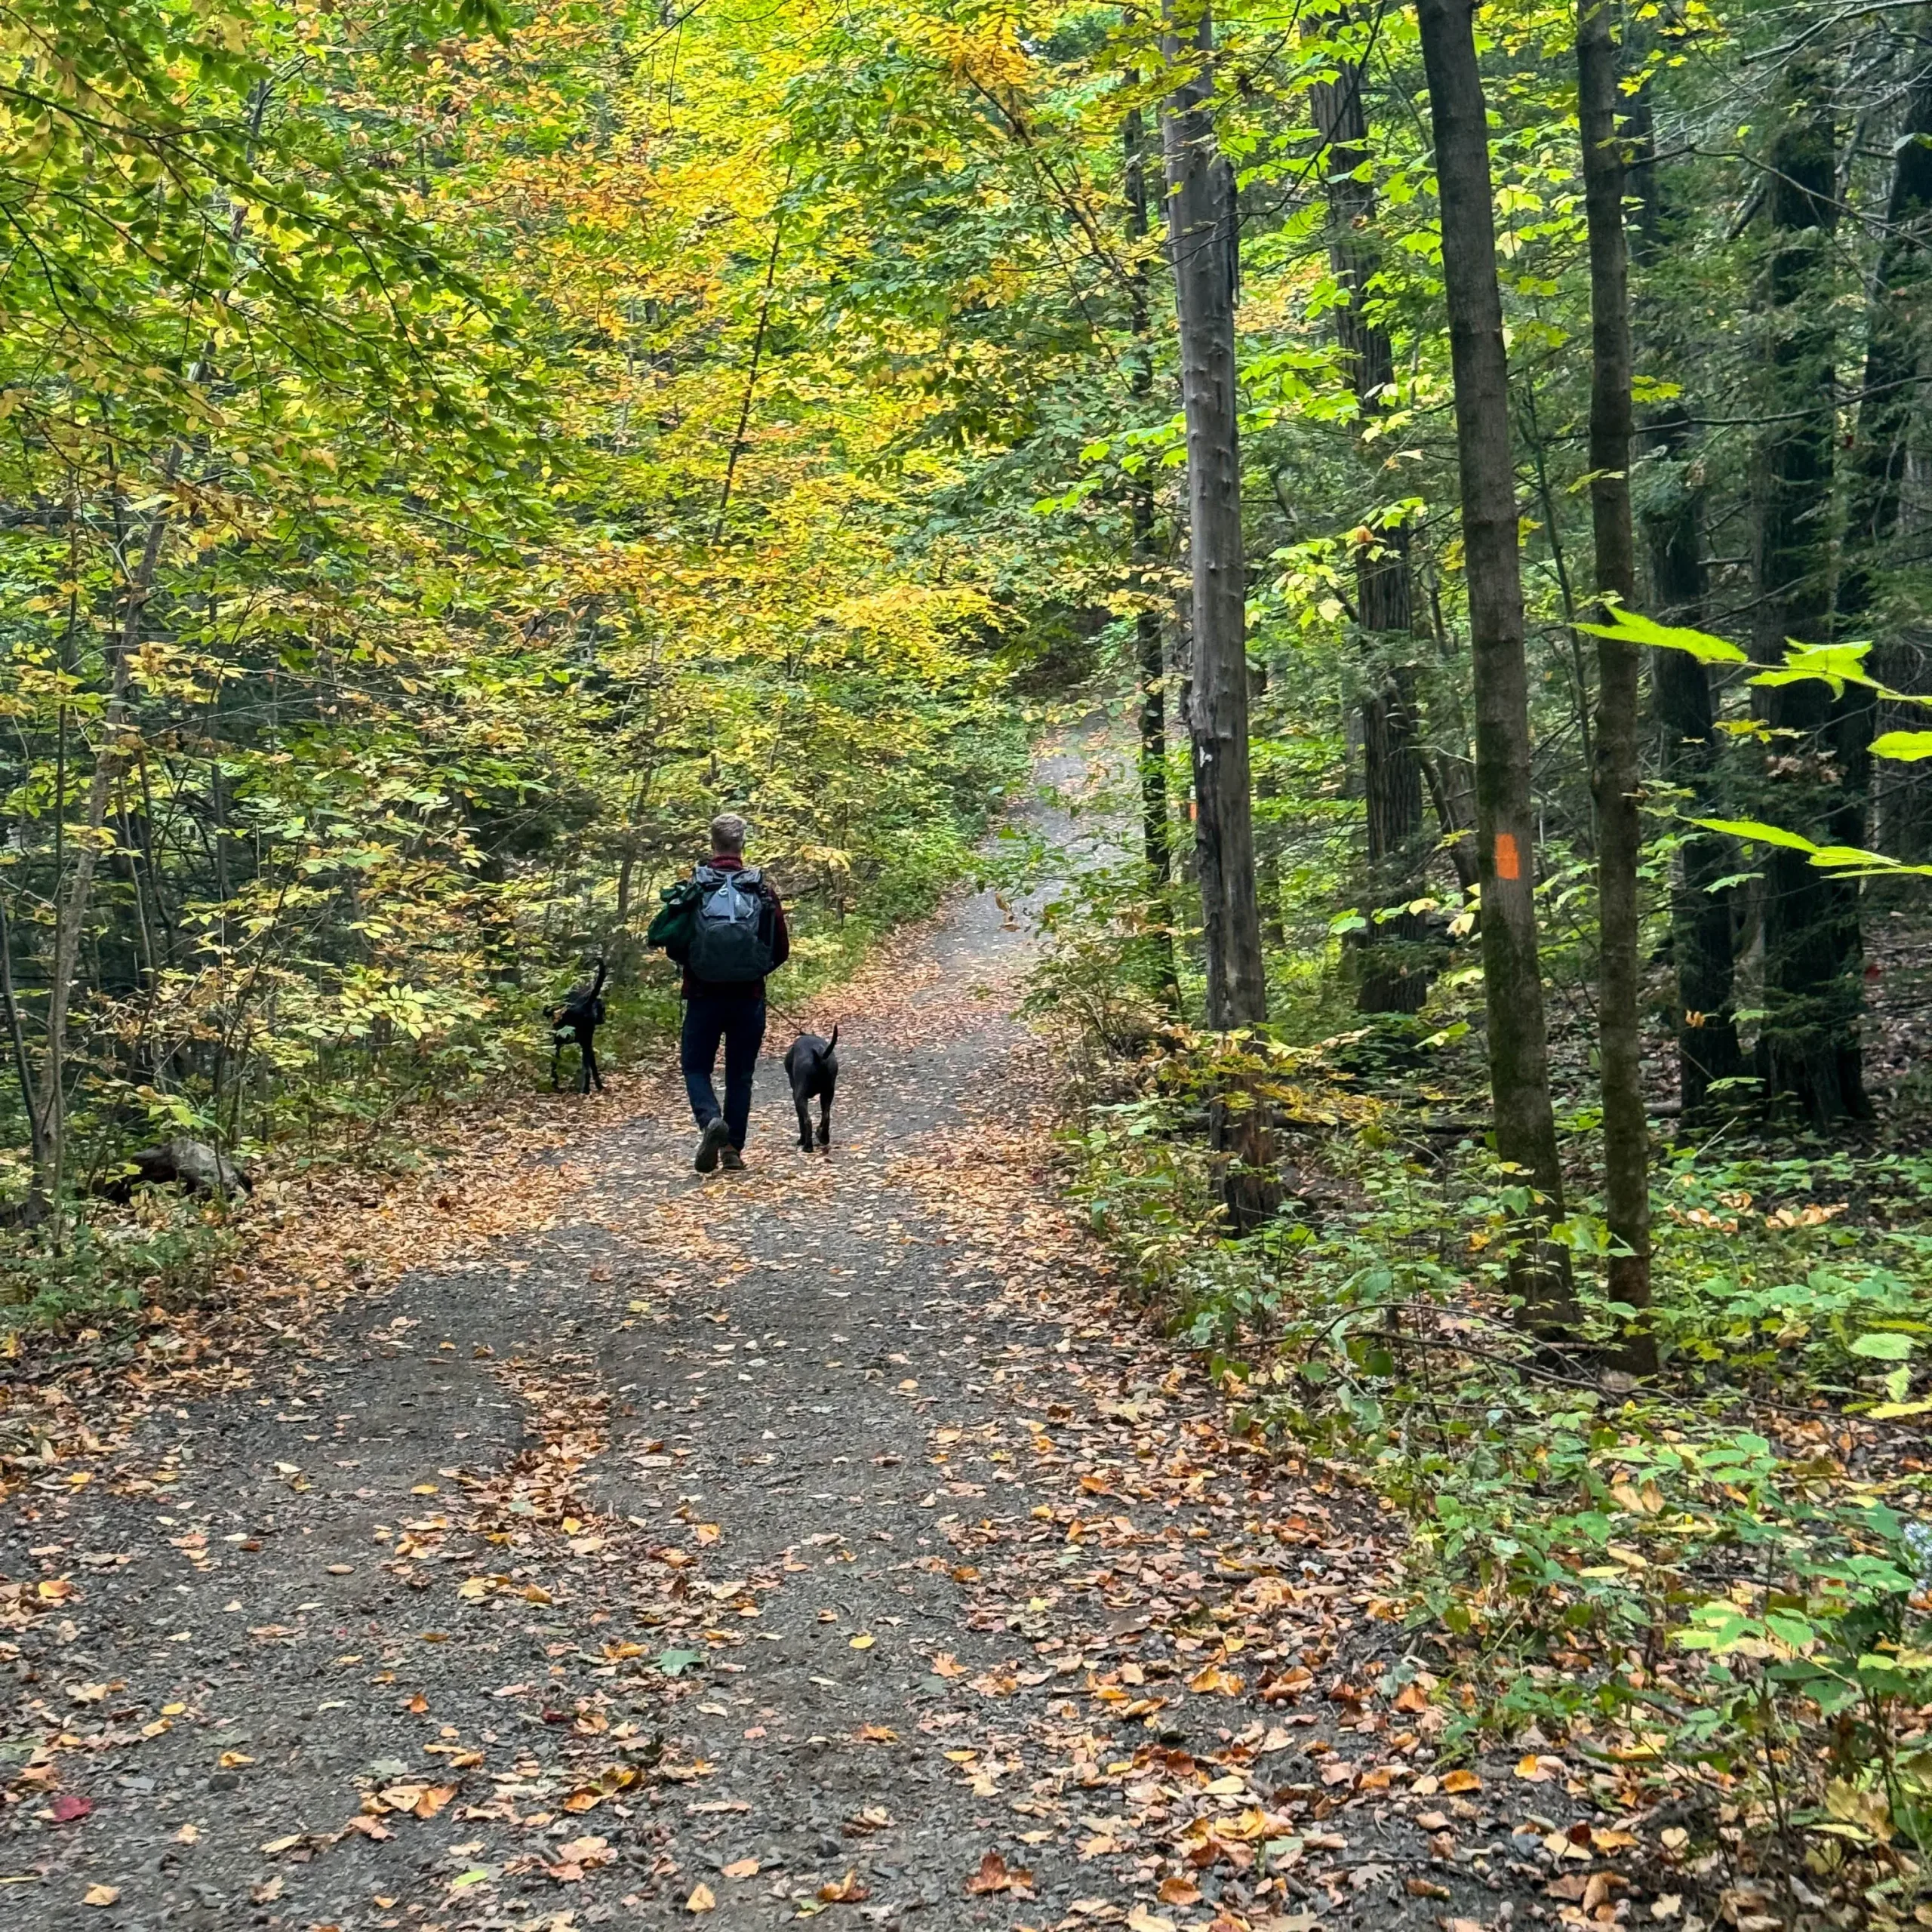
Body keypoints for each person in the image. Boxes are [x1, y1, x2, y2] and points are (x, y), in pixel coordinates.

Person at [674, 813, 789, 1172]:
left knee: (695, 1067)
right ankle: (732, 1150)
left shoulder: (696, 887)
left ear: (713, 844)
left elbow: (676, 944)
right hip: (748, 997)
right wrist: (753, 971)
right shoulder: (760, 889)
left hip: (703, 994)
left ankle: (710, 1120)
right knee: (740, 1074)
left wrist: (697, 967)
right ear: (742, 844)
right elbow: (780, 947)